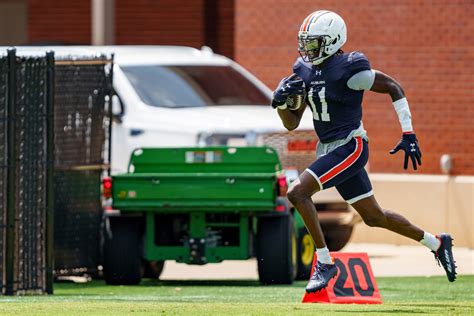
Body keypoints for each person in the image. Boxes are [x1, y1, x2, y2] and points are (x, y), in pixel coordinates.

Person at [271, 10, 457, 293]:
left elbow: (393, 86)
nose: (307, 50)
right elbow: (292, 123)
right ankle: (437, 243)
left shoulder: (350, 68)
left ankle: (324, 263)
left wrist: (408, 132)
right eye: (305, 43)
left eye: (314, 43)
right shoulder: (305, 70)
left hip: (351, 146)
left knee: (297, 192)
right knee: (373, 216)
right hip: (329, 149)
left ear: (333, 41)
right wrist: (283, 102)